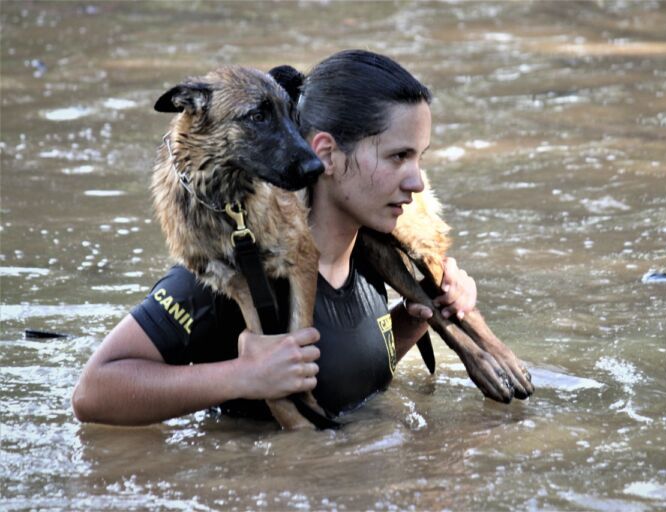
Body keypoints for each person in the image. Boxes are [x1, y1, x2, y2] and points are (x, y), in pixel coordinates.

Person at [72, 50, 477, 426]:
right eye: (397, 157)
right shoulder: (231, 270)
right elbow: (92, 393)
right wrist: (241, 376)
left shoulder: (368, 259)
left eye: (419, 157)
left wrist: (419, 316)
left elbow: (348, 382)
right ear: (325, 154)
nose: (417, 182)